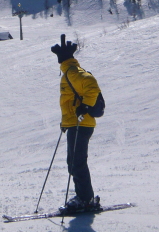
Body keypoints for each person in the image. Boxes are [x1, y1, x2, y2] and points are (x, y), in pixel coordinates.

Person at [51, 34, 101, 214]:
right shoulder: (69, 72)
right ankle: (84, 197)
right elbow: (68, 101)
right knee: (73, 161)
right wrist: (66, 122)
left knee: (77, 162)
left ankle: (85, 199)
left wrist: (85, 106)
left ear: (62, 58)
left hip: (81, 123)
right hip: (75, 123)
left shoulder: (72, 72)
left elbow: (92, 85)